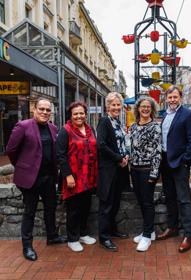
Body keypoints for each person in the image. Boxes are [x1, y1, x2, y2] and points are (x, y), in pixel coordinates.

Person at [6, 98, 66, 261]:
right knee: (29, 212)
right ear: (34, 109)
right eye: (42, 109)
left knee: (50, 208)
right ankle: (27, 246)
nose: (45, 112)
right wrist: (23, 165)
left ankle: (52, 236)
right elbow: (11, 150)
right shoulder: (23, 126)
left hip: (49, 177)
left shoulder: (53, 128)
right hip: (30, 178)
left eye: (48, 110)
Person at [157, 85, 191, 253]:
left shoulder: (188, 115)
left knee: (183, 199)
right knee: (170, 197)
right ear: (166, 99)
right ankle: (172, 227)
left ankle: (188, 235)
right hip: (165, 162)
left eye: (175, 97)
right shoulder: (164, 114)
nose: (172, 100)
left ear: (180, 98)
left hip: (179, 163)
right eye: (170, 97)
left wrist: (185, 160)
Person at [56, 101, 98, 252]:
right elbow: (60, 155)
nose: (79, 116)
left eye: (81, 113)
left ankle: (83, 233)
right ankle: (72, 238)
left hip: (89, 176)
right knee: (74, 209)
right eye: (76, 114)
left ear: (85, 114)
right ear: (71, 115)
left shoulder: (90, 129)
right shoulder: (65, 131)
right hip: (73, 177)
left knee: (86, 207)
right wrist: (68, 175)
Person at [97, 92, 130, 252]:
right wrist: (119, 158)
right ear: (107, 106)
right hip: (108, 170)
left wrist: (126, 156)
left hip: (120, 169)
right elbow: (101, 145)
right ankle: (104, 237)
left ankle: (112, 230)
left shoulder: (118, 122)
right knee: (107, 204)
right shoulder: (104, 121)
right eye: (113, 105)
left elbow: (123, 143)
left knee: (115, 202)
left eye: (118, 104)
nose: (116, 107)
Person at [129, 96, 161, 252]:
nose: (145, 109)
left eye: (148, 106)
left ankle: (147, 237)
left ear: (152, 109)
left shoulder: (155, 126)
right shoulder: (133, 126)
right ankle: (150, 231)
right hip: (134, 170)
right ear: (138, 108)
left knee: (147, 203)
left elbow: (157, 152)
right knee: (141, 201)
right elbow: (131, 149)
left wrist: (154, 173)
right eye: (143, 106)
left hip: (148, 170)